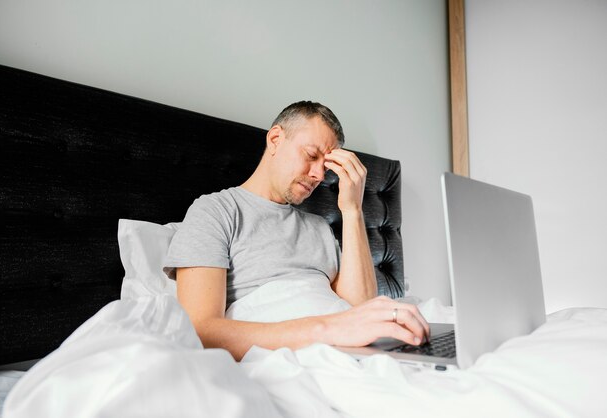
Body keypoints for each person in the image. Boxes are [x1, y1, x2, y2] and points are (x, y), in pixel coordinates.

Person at [164, 101, 429, 361]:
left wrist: (353, 211)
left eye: (325, 166)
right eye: (311, 156)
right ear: (276, 139)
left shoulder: (319, 227)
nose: (318, 175)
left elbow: (359, 310)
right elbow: (200, 331)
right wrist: (326, 329)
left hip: (354, 354)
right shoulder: (216, 211)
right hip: (298, 357)